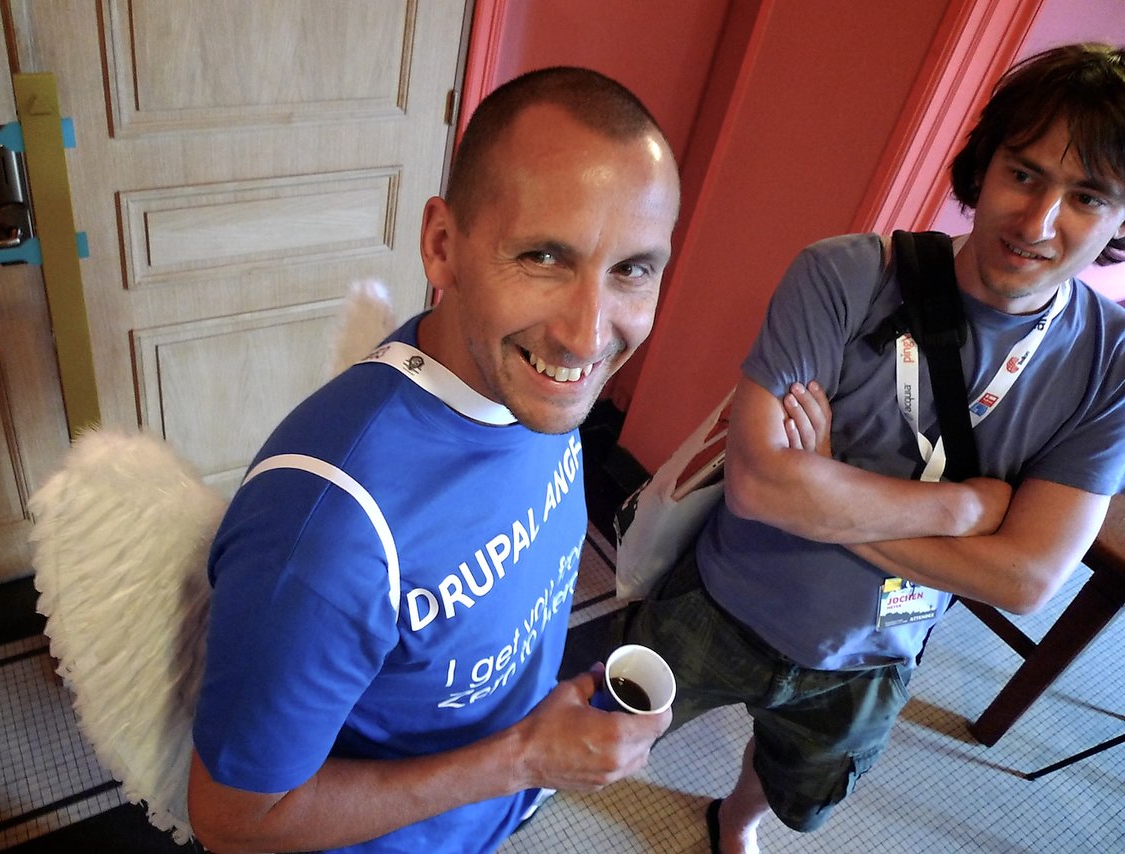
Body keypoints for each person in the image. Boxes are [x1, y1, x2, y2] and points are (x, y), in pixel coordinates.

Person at [621, 42, 1125, 853]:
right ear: (984, 166)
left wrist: (822, 487)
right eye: (1024, 173)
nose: (1037, 223)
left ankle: (735, 820)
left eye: (1088, 196)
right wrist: (966, 510)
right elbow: (757, 489)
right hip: (723, 598)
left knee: (792, 788)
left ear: (1121, 218)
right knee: (614, 726)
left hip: (874, 654)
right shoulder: (845, 275)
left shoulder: (1110, 364)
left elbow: (1027, 580)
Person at [186, 67, 682, 853]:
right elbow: (232, 819)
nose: (589, 336)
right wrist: (523, 760)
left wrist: (524, 757)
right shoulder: (325, 535)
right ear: (443, 246)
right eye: (545, 257)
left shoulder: (541, 390)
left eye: (632, 269)